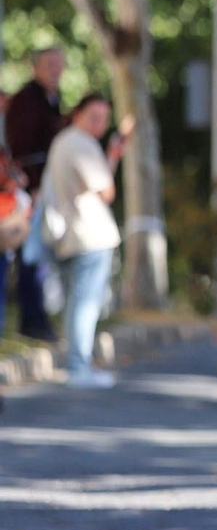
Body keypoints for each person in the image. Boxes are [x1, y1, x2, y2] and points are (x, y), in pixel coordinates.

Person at [39, 93, 124, 389]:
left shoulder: (63, 141)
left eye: (104, 118)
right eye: (94, 117)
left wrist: (112, 154)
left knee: (76, 300)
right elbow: (106, 191)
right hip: (89, 235)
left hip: (70, 235)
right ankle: (78, 366)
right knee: (84, 303)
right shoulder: (81, 144)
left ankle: (78, 363)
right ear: (77, 114)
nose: (99, 124)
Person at [6, 47, 66, 341]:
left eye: (59, 64)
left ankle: (37, 316)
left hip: (46, 187)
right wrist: (33, 185)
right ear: (35, 68)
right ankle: (31, 319)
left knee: (38, 255)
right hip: (30, 191)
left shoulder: (51, 99)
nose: (56, 70)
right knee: (30, 256)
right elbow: (23, 149)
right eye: (50, 65)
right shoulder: (27, 100)